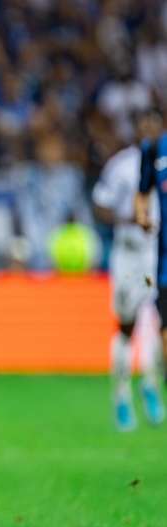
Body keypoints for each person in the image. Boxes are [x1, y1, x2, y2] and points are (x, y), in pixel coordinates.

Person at [93, 108, 164, 431]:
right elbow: (101, 204)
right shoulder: (122, 165)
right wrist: (128, 218)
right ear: (136, 130)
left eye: (155, 125)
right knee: (126, 325)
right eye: (144, 125)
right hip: (127, 252)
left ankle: (150, 387)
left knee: (154, 320)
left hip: (155, 253)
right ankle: (121, 397)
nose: (150, 130)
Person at [135, 112, 167, 428]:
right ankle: (150, 383)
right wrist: (140, 215)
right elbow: (139, 196)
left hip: (152, 257)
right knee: (145, 323)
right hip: (145, 257)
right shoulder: (152, 154)